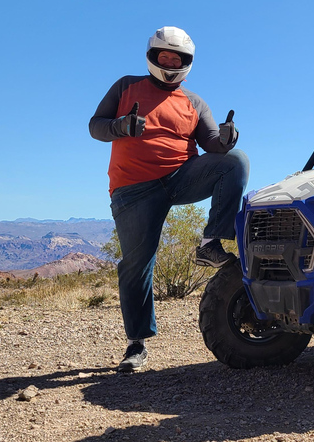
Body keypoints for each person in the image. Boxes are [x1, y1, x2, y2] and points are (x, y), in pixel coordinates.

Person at [89, 26, 250, 372]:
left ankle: (211, 242)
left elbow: (214, 147)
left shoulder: (194, 102)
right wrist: (121, 126)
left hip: (180, 178)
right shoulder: (125, 86)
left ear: (186, 63)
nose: (170, 62)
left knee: (235, 162)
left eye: (176, 58)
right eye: (164, 56)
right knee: (137, 263)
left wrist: (227, 137)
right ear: (152, 57)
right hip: (133, 188)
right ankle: (137, 344)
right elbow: (95, 125)